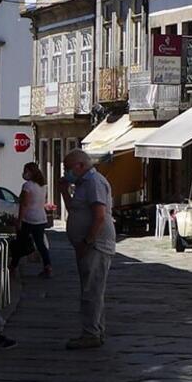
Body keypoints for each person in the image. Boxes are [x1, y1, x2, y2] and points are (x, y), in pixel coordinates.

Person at [60, 149, 115, 349]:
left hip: (95, 245)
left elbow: (99, 215)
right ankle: (95, 330)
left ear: (80, 166)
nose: (66, 172)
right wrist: (64, 191)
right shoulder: (82, 184)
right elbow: (75, 209)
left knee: (92, 290)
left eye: (68, 168)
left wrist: (87, 242)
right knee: (91, 289)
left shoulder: (93, 182)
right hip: (88, 245)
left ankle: (91, 333)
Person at [15, 162, 53, 277]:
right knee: (40, 244)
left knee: (20, 243)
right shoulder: (42, 186)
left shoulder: (27, 186)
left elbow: (24, 204)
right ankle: (48, 266)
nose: (24, 173)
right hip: (41, 218)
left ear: (30, 172)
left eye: (26, 171)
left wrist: (19, 220)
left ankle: (13, 265)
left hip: (29, 218)